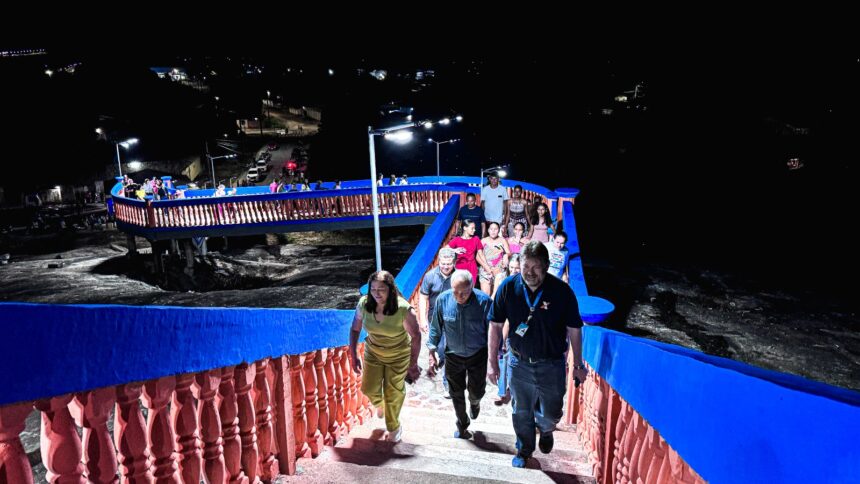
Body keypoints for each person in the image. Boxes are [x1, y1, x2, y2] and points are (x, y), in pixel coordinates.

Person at [487, 241, 586, 468]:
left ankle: (547, 427)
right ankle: (524, 449)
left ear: (547, 265)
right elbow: (495, 324)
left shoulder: (562, 292)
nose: (529, 272)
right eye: (525, 266)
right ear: (518, 264)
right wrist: (492, 362)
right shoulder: (508, 287)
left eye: (536, 267)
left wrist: (578, 364)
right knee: (521, 410)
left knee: (552, 410)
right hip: (518, 362)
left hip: (552, 365)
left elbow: (574, 329)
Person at [350, 271, 422, 443]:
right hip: (373, 352)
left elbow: (416, 336)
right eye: (373, 289)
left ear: (390, 289)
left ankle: (394, 426)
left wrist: (413, 364)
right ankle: (380, 404)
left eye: (381, 289)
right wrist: (353, 355)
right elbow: (355, 329)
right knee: (368, 388)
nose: (376, 293)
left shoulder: (403, 309)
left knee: (393, 393)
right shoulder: (364, 304)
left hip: (398, 355)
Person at [427, 270, 493, 439]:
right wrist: (432, 350)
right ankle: (462, 424)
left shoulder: (484, 302)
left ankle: (475, 402)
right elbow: (436, 326)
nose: (459, 296)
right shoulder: (443, 300)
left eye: (464, 292)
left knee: (476, 391)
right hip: (453, 355)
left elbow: (493, 331)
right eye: (456, 291)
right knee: (456, 393)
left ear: (472, 287)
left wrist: (493, 358)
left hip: (477, 354)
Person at [418, 248, 457, 398]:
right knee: (439, 348)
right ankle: (437, 359)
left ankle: (448, 383)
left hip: (453, 320)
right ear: (438, 262)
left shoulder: (459, 277)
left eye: (449, 264)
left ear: (454, 263)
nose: (446, 266)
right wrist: (422, 319)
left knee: (449, 350)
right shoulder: (429, 276)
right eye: (443, 263)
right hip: (434, 319)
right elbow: (423, 298)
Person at [494, 253, 521, 405]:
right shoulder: (501, 279)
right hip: (503, 321)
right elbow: (494, 298)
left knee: (514, 358)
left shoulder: (525, 282)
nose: (514, 270)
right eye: (511, 267)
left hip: (519, 326)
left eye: (517, 268)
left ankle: (514, 389)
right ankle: (502, 391)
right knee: (503, 357)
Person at [448, 219, 492, 285]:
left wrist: (487, 267)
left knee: (471, 288)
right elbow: (443, 250)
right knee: (460, 287)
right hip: (460, 266)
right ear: (465, 228)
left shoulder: (476, 239)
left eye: (474, 228)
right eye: (472, 228)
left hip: (472, 267)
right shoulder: (457, 240)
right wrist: (454, 250)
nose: (474, 230)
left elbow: (481, 255)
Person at [479, 221, 511, 298]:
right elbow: (478, 256)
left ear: (499, 230)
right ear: (488, 230)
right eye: (491, 229)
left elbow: (509, 253)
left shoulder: (502, 240)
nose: (493, 231)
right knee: (485, 296)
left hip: (499, 270)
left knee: (497, 297)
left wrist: (506, 256)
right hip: (485, 270)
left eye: (495, 229)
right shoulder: (483, 240)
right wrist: (487, 268)